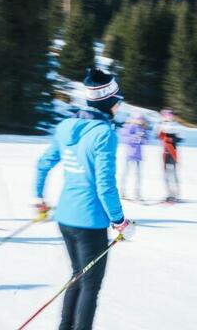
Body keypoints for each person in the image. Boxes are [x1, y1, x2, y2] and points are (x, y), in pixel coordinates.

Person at [35, 68, 136, 330]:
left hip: (66, 218)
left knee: (78, 276)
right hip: (90, 222)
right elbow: (105, 186)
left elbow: (43, 163)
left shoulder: (65, 126)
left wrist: (39, 197)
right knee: (90, 285)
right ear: (108, 102)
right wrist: (119, 220)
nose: (119, 106)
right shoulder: (104, 134)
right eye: (117, 101)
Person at [119, 114, 148, 201]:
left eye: (142, 120)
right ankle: (122, 192)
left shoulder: (142, 128)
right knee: (126, 173)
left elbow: (146, 141)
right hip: (130, 154)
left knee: (138, 175)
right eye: (139, 119)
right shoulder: (130, 126)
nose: (140, 121)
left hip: (138, 155)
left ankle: (137, 193)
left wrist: (142, 139)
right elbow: (124, 138)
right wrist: (134, 138)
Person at [157, 108, 182, 203]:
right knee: (166, 174)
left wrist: (171, 139)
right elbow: (158, 136)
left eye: (169, 115)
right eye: (165, 116)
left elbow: (180, 139)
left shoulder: (175, 126)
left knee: (173, 174)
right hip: (165, 154)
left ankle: (176, 194)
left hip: (173, 153)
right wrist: (161, 129)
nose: (167, 117)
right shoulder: (162, 125)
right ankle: (169, 194)